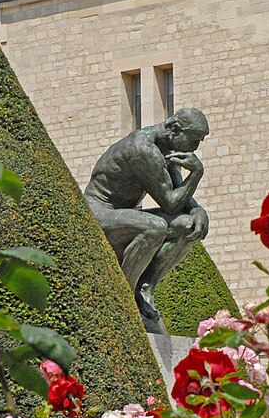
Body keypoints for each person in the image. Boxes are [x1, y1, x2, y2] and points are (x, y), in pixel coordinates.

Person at [84, 108, 210, 330]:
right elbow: (170, 203)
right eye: (193, 140)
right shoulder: (144, 149)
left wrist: (198, 211)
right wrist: (197, 173)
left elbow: (178, 194)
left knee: (188, 226)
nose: (195, 148)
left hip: (124, 214)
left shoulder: (167, 148)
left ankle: (145, 289)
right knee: (155, 227)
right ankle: (124, 298)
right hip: (98, 212)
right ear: (174, 130)